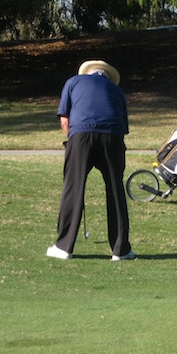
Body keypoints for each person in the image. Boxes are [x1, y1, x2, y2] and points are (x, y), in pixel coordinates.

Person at [47, 60, 134, 261]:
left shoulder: (73, 82)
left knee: (73, 188)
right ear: (108, 77)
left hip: (81, 136)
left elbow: (65, 120)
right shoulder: (117, 91)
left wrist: (74, 143)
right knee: (115, 191)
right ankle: (120, 250)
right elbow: (123, 128)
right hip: (112, 138)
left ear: (88, 73)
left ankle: (63, 247)